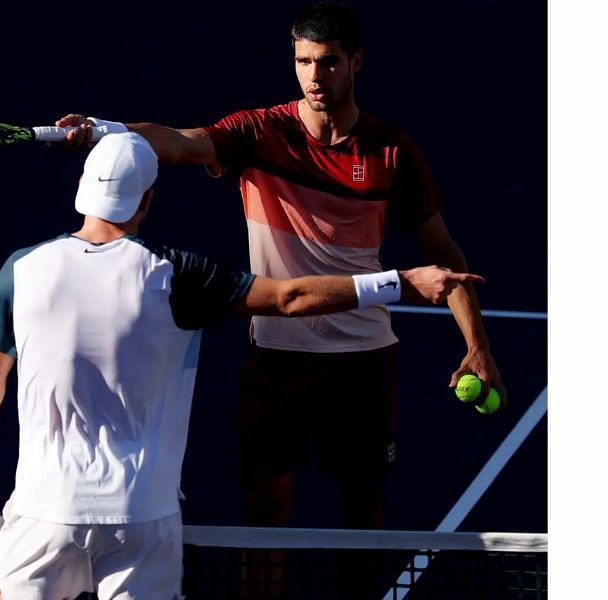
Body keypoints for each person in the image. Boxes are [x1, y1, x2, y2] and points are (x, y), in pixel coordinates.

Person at [0, 133, 480, 600]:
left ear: (83, 191)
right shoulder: (176, 275)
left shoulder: (22, 269)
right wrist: (399, 281)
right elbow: (291, 297)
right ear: (147, 199)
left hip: (41, 515)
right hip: (141, 518)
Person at [57, 1, 503, 536]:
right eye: (305, 61)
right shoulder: (260, 133)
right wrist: (108, 130)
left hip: (365, 363)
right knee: (265, 513)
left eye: (330, 61)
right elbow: (181, 142)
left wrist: (476, 344)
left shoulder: (392, 153)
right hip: (277, 360)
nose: (316, 76)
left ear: (356, 61)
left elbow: (444, 256)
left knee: (365, 518)